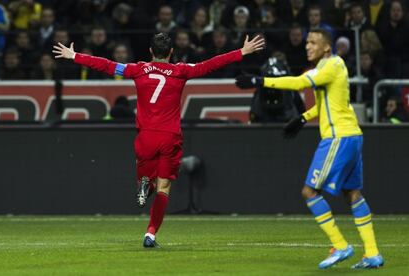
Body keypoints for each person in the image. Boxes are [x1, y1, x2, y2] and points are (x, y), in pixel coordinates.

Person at [53, 32, 264, 248]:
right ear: (172, 52)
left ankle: (145, 185)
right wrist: (242, 52)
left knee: (147, 182)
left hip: (146, 136)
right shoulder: (181, 71)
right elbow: (209, 65)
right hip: (169, 136)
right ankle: (150, 234)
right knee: (164, 187)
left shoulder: (137, 69)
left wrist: (74, 55)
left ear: (151, 51)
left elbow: (107, 65)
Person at [235, 29, 384, 269]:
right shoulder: (328, 68)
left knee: (309, 191)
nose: (307, 46)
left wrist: (259, 80)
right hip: (352, 135)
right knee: (353, 194)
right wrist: (303, 118)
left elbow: (299, 82)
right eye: (307, 42)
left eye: (313, 42)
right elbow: (329, 104)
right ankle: (373, 253)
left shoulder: (332, 65)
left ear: (327, 47)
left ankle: (340, 245)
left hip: (338, 138)